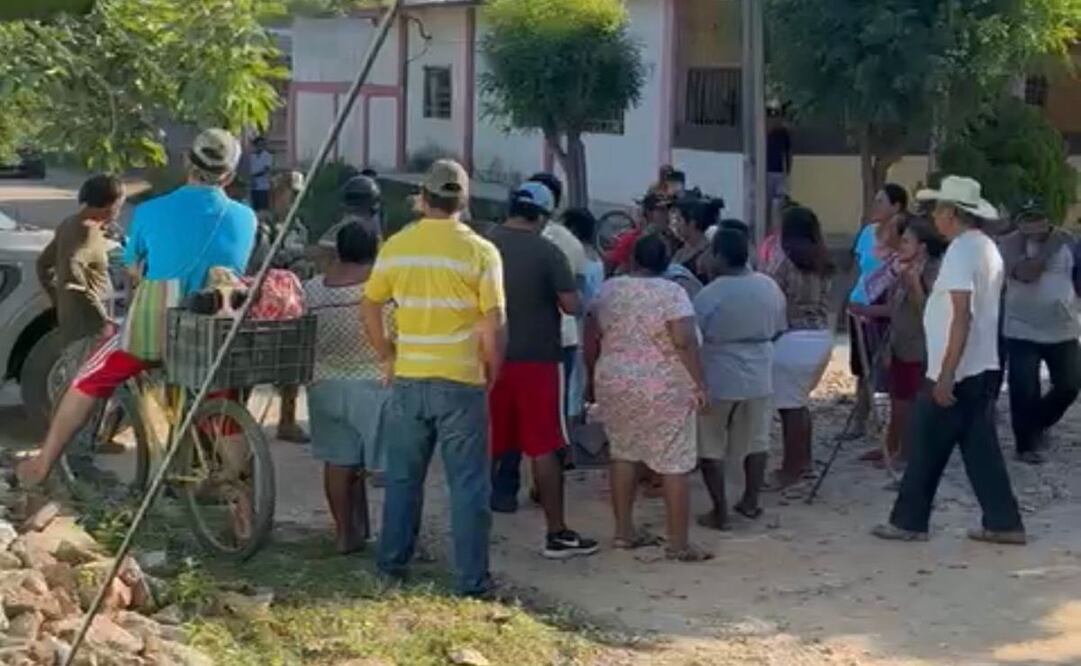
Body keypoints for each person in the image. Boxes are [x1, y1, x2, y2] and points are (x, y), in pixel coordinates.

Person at [17, 129, 257, 487]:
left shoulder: (149, 211)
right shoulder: (246, 218)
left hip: (157, 328)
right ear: (230, 175)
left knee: (87, 380)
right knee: (221, 405)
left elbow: (132, 266)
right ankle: (245, 514)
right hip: (216, 328)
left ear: (186, 162)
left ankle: (42, 464)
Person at [362, 159, 506, 597]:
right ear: (464, 200)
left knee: (404, 479)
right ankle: (472, 583)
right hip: (462, 381)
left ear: (423, 198)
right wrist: (490, 373)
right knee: (467, 486)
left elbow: (369, 306)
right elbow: (493, 322)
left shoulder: (398, 246)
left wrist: (386, 354)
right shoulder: (481, 251)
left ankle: (391, 568)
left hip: (410, 377)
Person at [874, 175, 1025, 545]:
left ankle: (909, 522)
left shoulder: (961, 251)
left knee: (927, 443)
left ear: (953, 213)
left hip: (958, 367)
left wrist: (946, 374)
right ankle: (1003, 521)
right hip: (981, 363)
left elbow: (962, 315)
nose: (935, 217)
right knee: (979, 447)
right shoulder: (986, 246)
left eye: (940, 209)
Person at [487, 182, 599, 559]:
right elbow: (570, 305)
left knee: (485, 442)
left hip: (488, 359)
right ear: (543, 215)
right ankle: (556, 532)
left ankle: (469, 528)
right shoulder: (548, 251)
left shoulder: (484, 245)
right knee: (544, 446)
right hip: (537, 361)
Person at [584, 235, 712, 562]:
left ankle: (624, 533)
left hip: (615, 378)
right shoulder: (673, 293)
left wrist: (591, 378)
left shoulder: (609, 289)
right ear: (666, 263)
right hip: (664, 384)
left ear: (632, 260)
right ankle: (678, 543)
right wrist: (699, 383)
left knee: (623, 454)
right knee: (674, 462)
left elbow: (591, 334)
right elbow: (684, 340)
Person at [304, 222, 392, 554]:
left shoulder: (312, 290)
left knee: (338, 463)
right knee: (390, 467)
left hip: (324, 384)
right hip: (373, 387)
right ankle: (393, 540)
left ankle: (344, 534)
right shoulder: (380, 290)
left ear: (338, 250)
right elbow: (392, 337)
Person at [694, 227, 787, 529]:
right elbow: (779, 327)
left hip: (719, 371)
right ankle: (751, 500)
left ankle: (719, 510)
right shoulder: (768, 286)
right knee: (757, 439)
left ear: (719, 255)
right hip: (760, 368)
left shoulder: (709, 294)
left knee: (710, 442)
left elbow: (695, 335)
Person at [999, 200, 1080, 464]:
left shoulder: (1068, 242)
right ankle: (1025, 445)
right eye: (1026, 218)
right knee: (1024, 388)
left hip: (1062, 327)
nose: (1031, 225)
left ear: (1047, 220)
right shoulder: (1011, 243)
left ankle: (1039, 422)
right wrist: (1046, 251)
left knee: (1070, 384)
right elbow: (1025, 273)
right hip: (1021, 328)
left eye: (1037, 218)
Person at [766, 206, 835, 488]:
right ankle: (803, 462)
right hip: (820, 337)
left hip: (792, 338)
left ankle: (791, 468)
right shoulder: (824, 261)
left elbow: (771, 297)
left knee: (788, 408)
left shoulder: (783, 262)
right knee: (799, 403)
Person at [847, 184, 909, 439]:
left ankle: (896, 430)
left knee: (890, 368)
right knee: (862, 368)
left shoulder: (902, 237)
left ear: (896, 206)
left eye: (881, 201)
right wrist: (849, 297)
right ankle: (860, 420)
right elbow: (858, 267)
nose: (875, 206)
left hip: (882, 309)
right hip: (860, 306)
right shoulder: (868, 233)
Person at [36, 175, 126, 349]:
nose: (119, 211)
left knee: (74, 371)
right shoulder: (87, 232)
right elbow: (73, 276)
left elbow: (43, 264)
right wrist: (103, 321)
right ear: (109, 205)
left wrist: (59, 300)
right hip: (90, 329)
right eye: (119, 206)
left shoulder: (70, 223)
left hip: (72, 322)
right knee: (89, 372)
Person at [563, 208, 606, 423]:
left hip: (575, 326)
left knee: (571, 385)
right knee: (579, 385)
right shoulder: (597, 257)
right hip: (592, 327)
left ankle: (569, 436)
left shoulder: (577, 258)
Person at [606, 192, 674, 274]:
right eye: (662, 210)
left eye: (668, 210)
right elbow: (615, 270)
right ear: (649, 213)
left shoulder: (672, 239)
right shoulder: (631, 239)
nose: (667, 215)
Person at [671, 197, 723, 284]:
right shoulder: (681, 250)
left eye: (679, 220)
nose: (676, 225)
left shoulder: (707, 255)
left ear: (692, 223)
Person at [249, 136, 273, 213]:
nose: (260, 147)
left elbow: (266, 170)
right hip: (253, 186)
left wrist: (254, 176)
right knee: (254, 207)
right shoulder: (251, 156)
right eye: (258, 145)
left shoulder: (267, 156)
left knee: (263, 207)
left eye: (262, 145)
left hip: (263, 186)